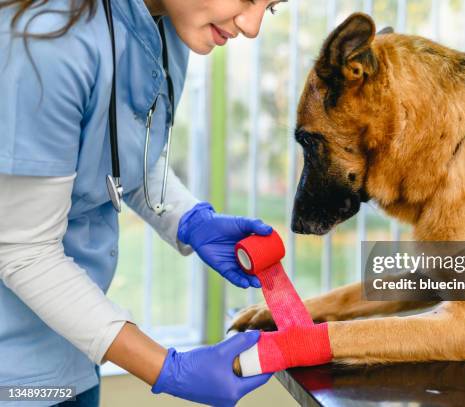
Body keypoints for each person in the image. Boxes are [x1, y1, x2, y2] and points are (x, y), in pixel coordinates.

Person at [0, 1, 285, 406]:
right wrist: (166, 368)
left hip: (74, 350)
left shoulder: (168, 26)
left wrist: (191, 219)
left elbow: (115, 151)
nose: (253, 26)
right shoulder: (45, 44)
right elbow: (25, 251)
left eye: (271, 7)